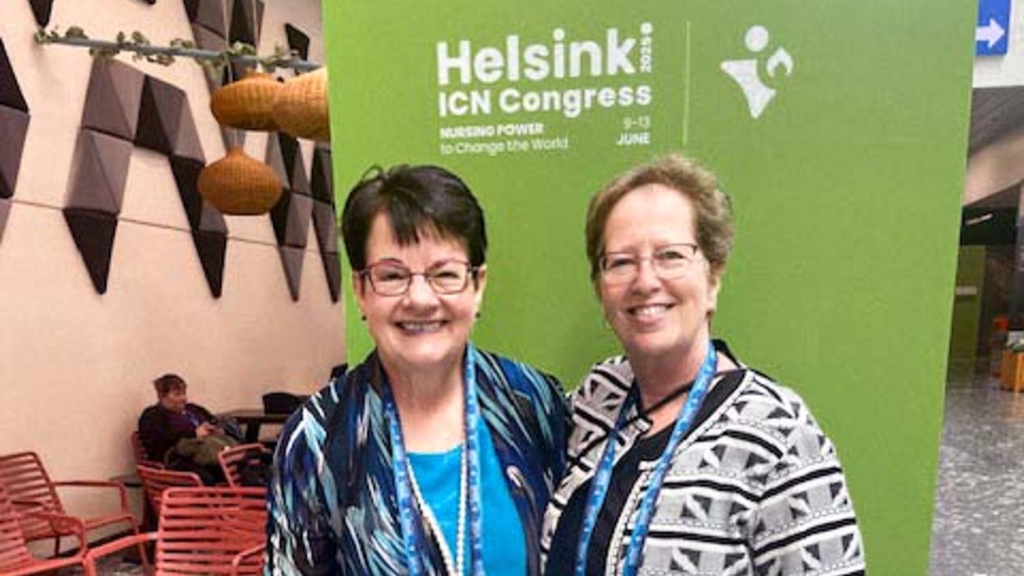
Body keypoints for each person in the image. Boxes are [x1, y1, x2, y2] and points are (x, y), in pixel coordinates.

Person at [540, 154, 866, 575]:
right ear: (602, 291)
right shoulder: (597, 396)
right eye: (620, 261)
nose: (644, 280)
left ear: (712, 277)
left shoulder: (779, 435)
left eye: (670, 255)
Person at [265, 164, 570, 576]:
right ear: (360, 290)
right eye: (392, 276)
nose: (421, 298)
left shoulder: (531, 402)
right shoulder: (317, 439)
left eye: (445, 274)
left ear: (478, 285)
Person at [137, 373, 238, 485]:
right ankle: (208, 501)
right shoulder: (153, 415)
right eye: (177, 394)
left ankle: (236, 500)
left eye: (184, 393)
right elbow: (158, 438)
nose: (183, 398)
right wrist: (193, 433)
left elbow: (213, 420)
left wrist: (217, 429)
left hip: (207, 454)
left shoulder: (193, 409)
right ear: (162, 396)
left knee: (239, 467)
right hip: (175, 460)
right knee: (206, 477)